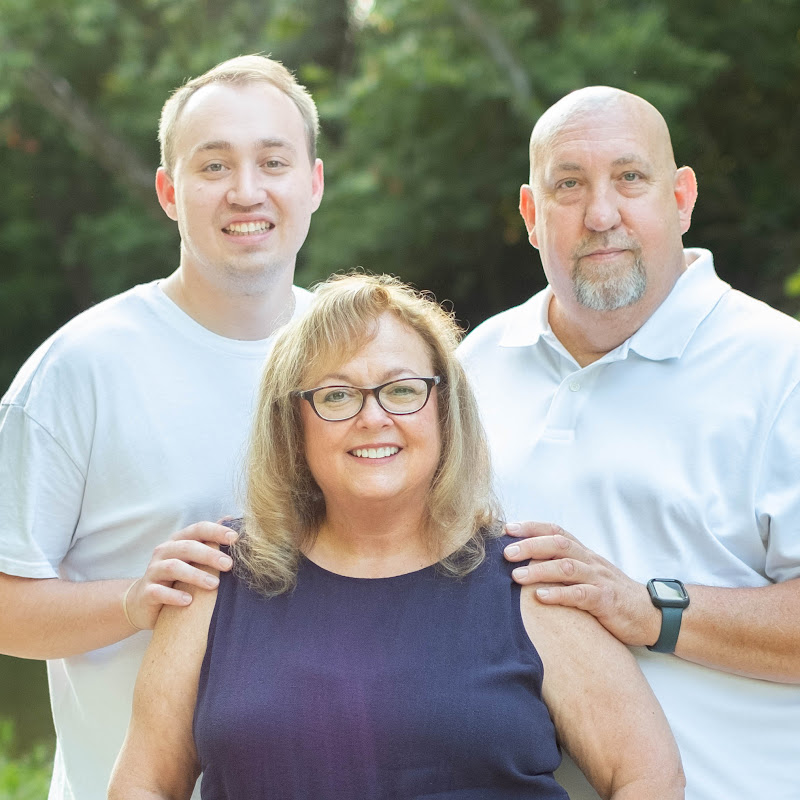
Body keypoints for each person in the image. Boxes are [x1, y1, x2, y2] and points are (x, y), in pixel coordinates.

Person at [109, 272, 684, 800]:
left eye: (402, 389)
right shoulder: (217, 576)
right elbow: (143, 784)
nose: (373, 417)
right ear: (292, 422)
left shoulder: (530, 579)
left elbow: (647, 777)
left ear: (443, 407)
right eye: (336, 395)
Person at [458, 86, 800, 800]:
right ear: (531, 213)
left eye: (630, 178)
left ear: (681, 198)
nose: (601, 214)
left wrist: (652, 609)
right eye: (569, 185)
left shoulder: (781, 365)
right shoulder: (472, 368)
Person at [0, 54, 324, 799]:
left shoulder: (358, 359)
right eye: (213, 166)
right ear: (169, 192)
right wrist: (129, 600)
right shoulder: (80, 369)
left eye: (273, 161)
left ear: (312, 182)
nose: (247, 191)